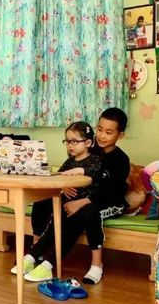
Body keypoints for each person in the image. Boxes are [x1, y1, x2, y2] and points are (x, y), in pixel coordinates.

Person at [17, 108, 130, 284]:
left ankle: (96, 265)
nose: (101, 136)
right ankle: (37, 251)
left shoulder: (120, 160)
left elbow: (108, 191)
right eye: (99, 129)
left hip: (109, 202)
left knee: (84, 211)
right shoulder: (90, 149)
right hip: (80, 197)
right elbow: (69, 170)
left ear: (120, 135)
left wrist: (80, 202)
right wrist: (64, 187)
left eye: (109, 132)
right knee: (44, 202)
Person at [10, 121, 102, 280]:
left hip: (82, 206)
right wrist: (62, 187)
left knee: (66, 224)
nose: (70, 145)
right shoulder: (69, 162)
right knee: (49, 217)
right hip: (64, 204)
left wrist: (77, 172)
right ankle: (32, 256)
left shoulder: (95, 160)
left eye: (74, 141)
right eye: (67, 141)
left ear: (88, 143)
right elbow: (59, 177)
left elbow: (93, 174)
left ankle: (48, 264)